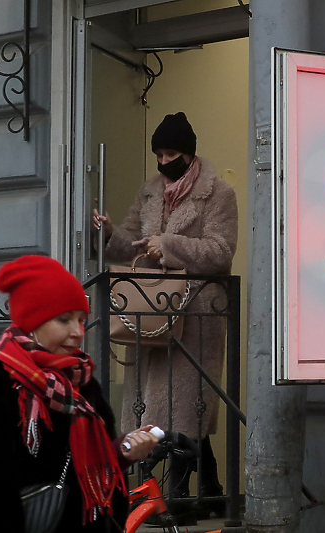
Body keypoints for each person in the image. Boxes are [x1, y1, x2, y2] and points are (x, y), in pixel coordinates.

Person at [0, 255, 159, 532]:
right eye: (64, 320)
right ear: (32, 324)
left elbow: (90, 485)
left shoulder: (84, 383)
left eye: (81, 319)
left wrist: (122, 453)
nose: (78, 332)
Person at [92, 111, 239, 519]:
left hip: (196, 314)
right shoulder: (150, 192)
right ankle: (209, 490)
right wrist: (108, 234)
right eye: (157, 154)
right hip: (151, 312)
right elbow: (131, 246)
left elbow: (221, 252)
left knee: (186, 406)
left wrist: (169, 245)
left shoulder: (219, 194)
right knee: (168, 407)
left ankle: (179, 499)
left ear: (188, 154)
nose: (162, 162)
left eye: (170, 153)